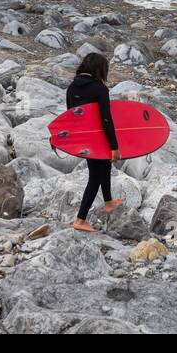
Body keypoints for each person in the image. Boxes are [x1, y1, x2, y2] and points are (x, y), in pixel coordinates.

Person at [65, 51, 122, 233]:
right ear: (100, 69)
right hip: (98, 137)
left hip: (83, 138)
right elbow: (106, 119)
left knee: (104, 167)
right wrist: (114, 146)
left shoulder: (72, 87)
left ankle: (108, 202)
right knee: (95, 176)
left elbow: (70, 115)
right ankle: (80, 220)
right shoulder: (99, 89)